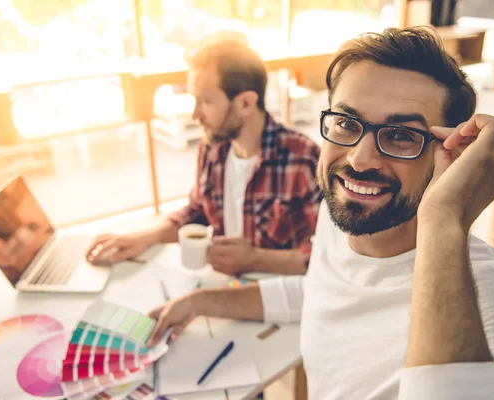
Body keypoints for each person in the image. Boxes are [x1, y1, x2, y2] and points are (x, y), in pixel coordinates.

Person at [144, 27, 494, 399]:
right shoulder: (340, 219)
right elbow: (320, 291)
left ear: (452, 155)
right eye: (346, 122)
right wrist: (198, 302)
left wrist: (444, 219)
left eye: (401, 135)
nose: (360, 159)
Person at [86, 34, 321, 276]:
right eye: (194, 100)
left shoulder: (304, 159)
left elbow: (330, 253)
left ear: (246, 104)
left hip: (277, 297)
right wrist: (145, 236)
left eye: (205, 101)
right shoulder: (213, 148)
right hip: (223, 285)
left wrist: (256, 260)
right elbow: (197, 209)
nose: (195, 115)